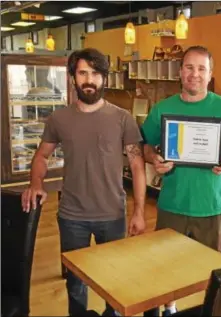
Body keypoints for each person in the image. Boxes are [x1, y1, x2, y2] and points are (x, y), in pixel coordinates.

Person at [21, 48, 146, 317]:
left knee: (114, 281)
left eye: (96, 73)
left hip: (113, 215)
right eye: (83, 73)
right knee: (76, 283)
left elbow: (137, 165)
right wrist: (36, 183)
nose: (89, 80)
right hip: (71, 216)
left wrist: (138, 212)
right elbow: (42, 156)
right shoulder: (59, 119)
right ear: (73, 78)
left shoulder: (122, 118)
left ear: (104, 78)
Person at [141, 45, 221, 316]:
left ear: (210, 74)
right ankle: (170, 308)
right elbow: (144, 146)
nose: (195, 74)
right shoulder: (162, 109)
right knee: (166, 266)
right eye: (189, 68)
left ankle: (208, 310)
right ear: (180, 72)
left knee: (213, 271)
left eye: (201, 68)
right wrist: (154, 158)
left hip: (212, 207)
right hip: (172, 204)